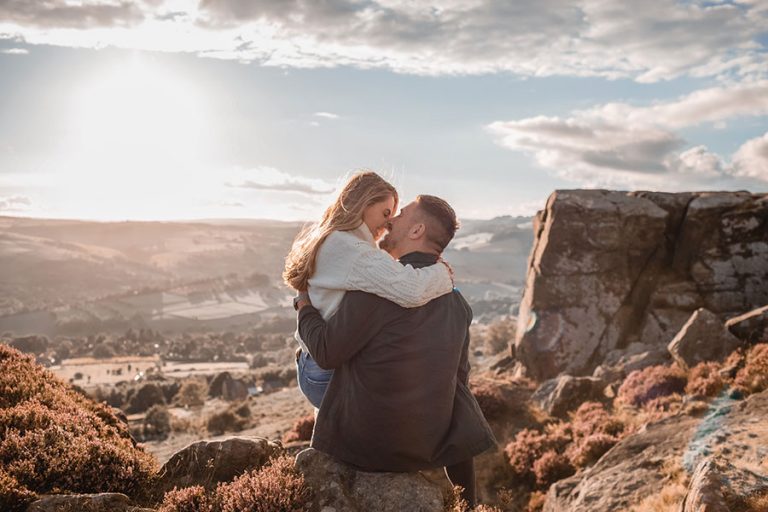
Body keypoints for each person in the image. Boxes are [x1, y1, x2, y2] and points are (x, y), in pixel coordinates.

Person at [295, 195, 496, 508]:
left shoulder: (373, 290)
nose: (390, 221)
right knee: (457, 385)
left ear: (416, 230)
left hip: (365, 448)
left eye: (399, 215)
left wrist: (304, 305)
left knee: (310, 360)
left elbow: (325, 352)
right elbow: (460, 383)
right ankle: (467, 503)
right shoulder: (458, 306)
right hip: (427, 445)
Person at [283, 171, 454, 408]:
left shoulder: (337, 240)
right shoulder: (352, 250)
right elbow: (411, 289)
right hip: (324, 374)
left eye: (392, 216)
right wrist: (444, 274)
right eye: (385, 214)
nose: (387, 224)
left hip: (314, 366)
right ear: (363, 203)